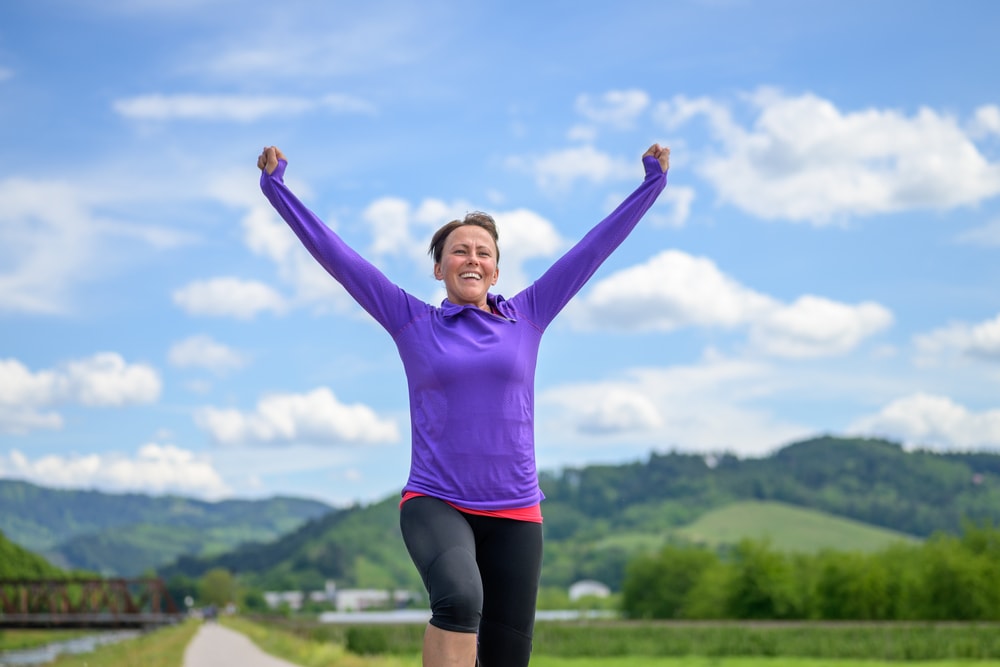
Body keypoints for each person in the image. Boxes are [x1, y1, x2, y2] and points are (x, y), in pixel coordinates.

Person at [258, 142, 669, 667]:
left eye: (483, 252)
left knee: (506, 659)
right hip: (437, 500)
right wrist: (278, 189)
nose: (471, 258)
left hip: (517, 512)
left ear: (496, 271)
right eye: (459, 250)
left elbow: (592, 249)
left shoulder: (530, 315)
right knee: (458, 598)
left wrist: (651, 185)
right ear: (439, 269)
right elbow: (341, 259)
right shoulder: (412, 321)